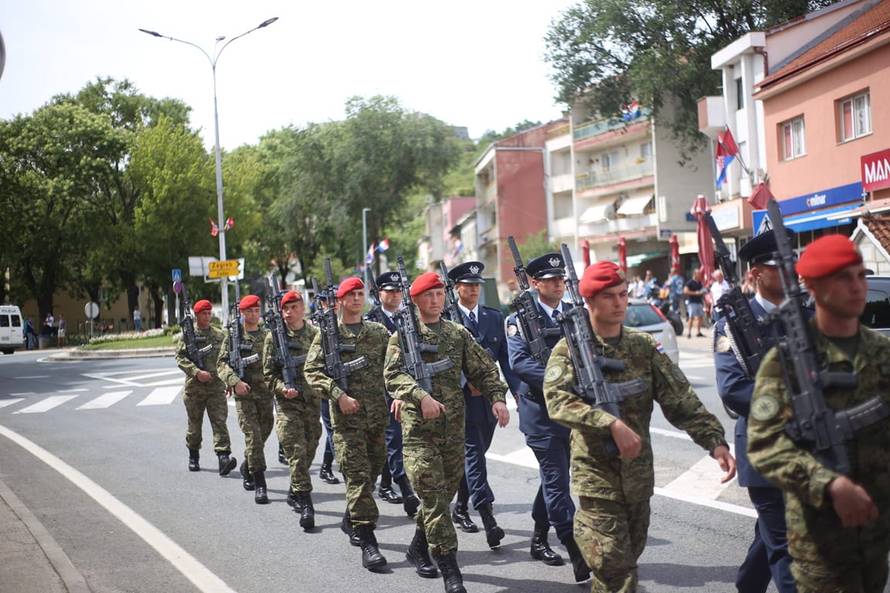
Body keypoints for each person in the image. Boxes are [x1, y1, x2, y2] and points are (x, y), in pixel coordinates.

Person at [543, 260, 735, 593]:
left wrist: (715, 442)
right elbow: (558, 401)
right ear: (589, 301)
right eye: (609, 297)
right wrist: (609, 423)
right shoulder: (569, 350)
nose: (619, 303)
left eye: (622, 294)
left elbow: (680, 399)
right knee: (614, 570)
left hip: (638, 476)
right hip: (597, 478)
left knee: (628, 560)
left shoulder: (642, 347)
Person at [748, 235, 890, 593]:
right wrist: (828, 483)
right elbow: (765, 446)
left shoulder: (881, 350)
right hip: (820, 542)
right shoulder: (783, 363)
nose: (857, 287)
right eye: (843, 278)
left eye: (861, 276)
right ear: (812, 287)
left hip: (876, 537)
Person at [384, 271, 509, 593]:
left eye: (440, 295)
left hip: (454, 430)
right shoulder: (402, 337)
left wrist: (497, 399)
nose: (436, 301)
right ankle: (451, 570)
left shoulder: (457, 334)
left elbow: (483, 368)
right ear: (415, 300)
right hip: (418, 436)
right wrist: (420, 396)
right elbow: (392, 376)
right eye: (429, 295)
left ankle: (417, 548)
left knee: (442, 498)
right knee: (437, 502)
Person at [714, 230, 797, 593]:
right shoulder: (730, 327)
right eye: (780, 266)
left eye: (792, 262)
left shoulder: (808, 316)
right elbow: (734, 390)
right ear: (756, 274)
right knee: (788, 548)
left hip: (811, 447)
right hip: (764, 452)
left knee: (772, 538)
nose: (791, 271)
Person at [506, 252, 591, 582]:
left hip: (573, 412)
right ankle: (574, 548)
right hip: (541, 415)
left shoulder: (573, 313)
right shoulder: (518, 320)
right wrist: (561, 380)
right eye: (551, 279)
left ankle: (539, 538)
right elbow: (520, 363)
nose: (558, 284)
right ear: (535, 283)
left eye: (561, 279)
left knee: (554, 477)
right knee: (556, 480)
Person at [304, 276, 391, 571]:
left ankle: (351, 517)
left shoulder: (378, 332)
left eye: (360, 293)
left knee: (373, 471)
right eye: (351, 295)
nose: (357, 298)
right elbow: (312, 371)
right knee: (358, 477)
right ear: (340, 301)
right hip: (347, 422)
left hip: (378, 417)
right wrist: (338, 395)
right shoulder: (328, 335)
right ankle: (368, 541)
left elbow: (394, 366)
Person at [446, 261, 521, 549]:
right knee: (474, 456)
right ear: (457, 289)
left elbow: (506, 360)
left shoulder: (493, 317)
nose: (474, 290)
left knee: (475, 454)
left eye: (477, 285)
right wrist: (467, 382)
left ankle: (461, 507)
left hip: (488, 400)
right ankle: (488, 517)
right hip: (459, 401)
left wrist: (515, 392)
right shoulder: (447, 319)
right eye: (468, 285)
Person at [262, 290, 321, 531]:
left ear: (303, 308)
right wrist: (281, 388)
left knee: (310, 448)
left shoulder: (316, 334)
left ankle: (294, 488)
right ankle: (306, 503)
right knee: (296, 451)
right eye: (285, 308)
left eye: (294, 307)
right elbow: (267, 375)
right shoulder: (273, 338)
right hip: (287, 405)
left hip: (312, 403)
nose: (288, 312)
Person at [365, 271, 421, 518]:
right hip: (381, 391)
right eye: (390, 291)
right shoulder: (372, 321)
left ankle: (387, 483)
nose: (396, 295)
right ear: (379, 294)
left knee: (398, 440)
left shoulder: (410, 317)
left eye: (399, 291)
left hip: (407, 387)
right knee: (394, 439)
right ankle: (406, 487)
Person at [217, 294, 273, 504]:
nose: (253, 314)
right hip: (245, 396)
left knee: (266, 430)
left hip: (266, 394)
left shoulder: (268, 334)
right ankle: (260, 483)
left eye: (256, 310)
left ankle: (248, 464)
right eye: (249, 311)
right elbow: (221, 363)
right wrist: (234, 381)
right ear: (242, 313)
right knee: (254, 437)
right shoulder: (234, 336)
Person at [174, 299, 236, 476]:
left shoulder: (219, 335)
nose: (207, 316)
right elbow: (180, 357)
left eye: (209, 313)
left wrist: (230, 380)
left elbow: (227, 360)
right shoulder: (189, 335)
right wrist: (195, 372)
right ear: (196, 315)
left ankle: (223, 458)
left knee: (220, 423)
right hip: (195, 389)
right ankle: (193, 455)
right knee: (195, 425)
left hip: (216, 387)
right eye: (204, 313)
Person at [684, 268, 707, 338]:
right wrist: (696, 293)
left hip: (699, 302)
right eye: (698, 273)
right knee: (691, 317)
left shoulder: (699, 283)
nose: (700, 275)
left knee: (700, 317)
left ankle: (698, 332)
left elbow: (702, 292)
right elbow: (685, 291)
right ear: (695, 274)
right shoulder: (690, 282)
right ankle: (689, 332)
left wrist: (703, 292)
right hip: (692, 302)